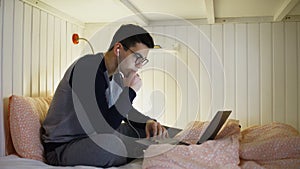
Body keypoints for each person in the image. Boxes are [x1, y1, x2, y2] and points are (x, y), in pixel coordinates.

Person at [41, 24, 180, 167]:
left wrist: (148, 122)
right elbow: (103, 127)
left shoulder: (117, 76)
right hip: (64, 147)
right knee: (112, 145)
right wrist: (130, 91)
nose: (139, 65)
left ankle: (193, 143)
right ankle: (157, 151)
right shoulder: (87, 68)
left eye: (143, 60)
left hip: (93, 137)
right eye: (137, 57)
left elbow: (125, 112)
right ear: (118, 49)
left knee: (151, 130)